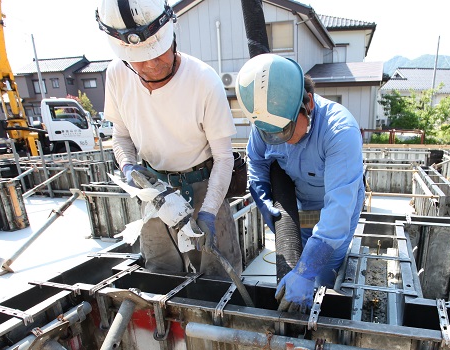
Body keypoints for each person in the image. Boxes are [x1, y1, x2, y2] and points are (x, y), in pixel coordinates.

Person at [96, 0, 242, 277]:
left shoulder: (203, 81)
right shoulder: (117, 75)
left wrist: (209, 211)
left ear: (171, 37)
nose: (152, 64)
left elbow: (224, 158)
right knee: (159, 270)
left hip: (203, 185)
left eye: (158, 52)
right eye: (140, 58)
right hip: (154, 189)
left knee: (219, 273)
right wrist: (128, 167)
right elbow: (121, 136)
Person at [235, 53, 365, 312]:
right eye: (268, 134)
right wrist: (261, 195)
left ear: (309, 104)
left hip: (333, 210)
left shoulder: (339, 132)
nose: (277, 139)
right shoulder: (268, 123)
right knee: (295, 257)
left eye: (284, 131)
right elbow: (257, 162)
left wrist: (307, 273)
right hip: (300, 208)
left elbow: (337, 215)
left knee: (322, 271)